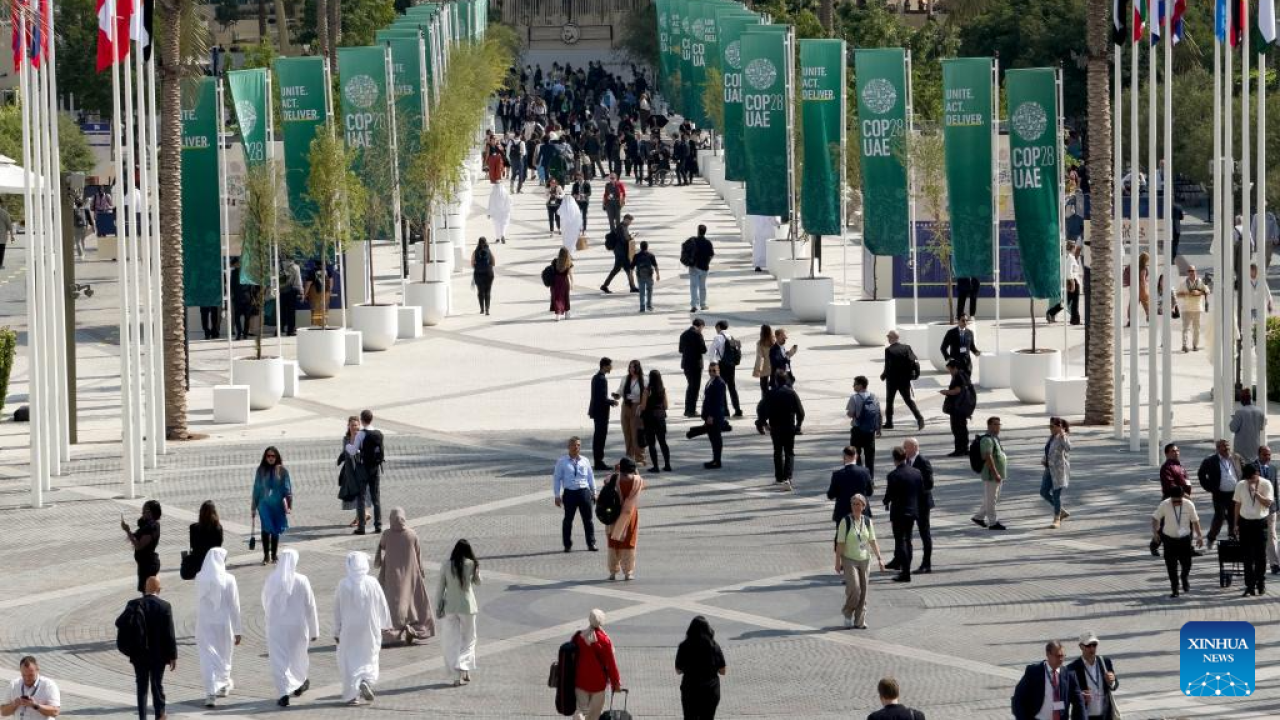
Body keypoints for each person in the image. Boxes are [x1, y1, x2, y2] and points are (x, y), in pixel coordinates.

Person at [334, 552, 393, 705]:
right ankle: (366, 680)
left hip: (349, 628)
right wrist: (386, 624)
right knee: (370, 655)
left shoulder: (343, 584)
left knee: (349, 658)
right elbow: (382, 603)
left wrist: (336, 629)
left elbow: (337, 609)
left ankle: (353, 695)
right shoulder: (372, 582)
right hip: (370, 627)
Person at [262, 549, 318, 707]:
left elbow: (265, 600)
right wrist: (314, 630)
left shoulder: (272, 579)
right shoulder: (302, 580)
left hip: (276, 627)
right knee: (298, 657)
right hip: (298, 627)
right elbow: (310, 605)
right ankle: (299, 683)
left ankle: (283, 692)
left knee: (279, 659)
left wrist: (271, 617)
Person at [375, 508, 436, 645]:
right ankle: (415, 628)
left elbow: (383, 546)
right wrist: (421, 570)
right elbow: (418, 553)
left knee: (394, 605)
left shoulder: (387, 534)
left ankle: (393, 632)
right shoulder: (412, 534)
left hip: (392, 575)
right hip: (411, 575)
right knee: (414, 602)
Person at [122, 577, 177, 720]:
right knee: (156, 684)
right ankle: (159, 715)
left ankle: (142, 717)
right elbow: (169, 633)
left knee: (141, 687)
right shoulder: (165, 606)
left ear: (145, 589)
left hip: (138, 654)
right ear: (159, 590)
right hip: (159, 655)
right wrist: (173, 655)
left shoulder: (133, 604)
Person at [194, 548, 242, 707]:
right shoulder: (229, 579)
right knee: (224, 656)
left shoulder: (200, 577)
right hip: (223, 624)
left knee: (207, 658)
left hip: (204, 624)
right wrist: (238, 630)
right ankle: (222, 684)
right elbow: (234, 606)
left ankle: (211, 691)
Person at [835, 494, 885, 629]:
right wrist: (837, 562)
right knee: (855, 588)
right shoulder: (845, 521)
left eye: (859, 504)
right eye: (854, 504)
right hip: (849, 559)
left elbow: (873, 541)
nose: (856, 507)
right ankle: (847, 613)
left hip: (865, 559)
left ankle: (859, 620)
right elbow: (840, 543)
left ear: (864, 506)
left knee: (864, 591)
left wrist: (880, 558)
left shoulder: (868, 521)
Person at [436, 540, 481, 686]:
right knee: (469, 639)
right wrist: (476, 571)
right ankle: (463, 664)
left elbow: (440, 588)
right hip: (467, 607)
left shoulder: (446, 565)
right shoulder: (471, 564)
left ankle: (459, 674)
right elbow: (478, 582)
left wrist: (438, 606)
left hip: (450, 607)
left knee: (452, 640)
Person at [1011, 641, 1086, 720]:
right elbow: (1018, 699)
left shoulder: (1069, 675)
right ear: (1048, 654)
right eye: (1058, 656)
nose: (1061, 659)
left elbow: (1079, 703)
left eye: (1063, 656)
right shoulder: (1033, 672)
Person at [757, 369, 805, 490]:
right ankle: (787, 478)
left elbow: (761, 410)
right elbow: (801, 412)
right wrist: (798, 425)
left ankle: (779, 477)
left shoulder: (770, 393)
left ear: (776, 381)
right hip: (789, 426)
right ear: (787, 380)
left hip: (775, 427)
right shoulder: (791, 393)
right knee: (789, 452)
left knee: (777, 452)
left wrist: (764, 423)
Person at [1151, 486, 1203, 597]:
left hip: (1184, 539)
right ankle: (1175, 589)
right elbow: (1155, 518)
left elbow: (1195, 521)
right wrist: (1155, 533)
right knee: (1171, 566)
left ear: (1182, 496)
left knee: (1187, 564)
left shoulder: (1189, 504)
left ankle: (1184, 577)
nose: (1177, 503)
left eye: (1179, 500)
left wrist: (1199, 536)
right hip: (1169, 540)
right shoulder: (1165, 504)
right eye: (1174, 501)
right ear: (1171, 498)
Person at [572, 609, 623, 720]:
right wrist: (616, 683)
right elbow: (611, 664)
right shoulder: (604, 640)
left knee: (581, 710)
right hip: (598, 684)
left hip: (580, 681)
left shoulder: (579, 637)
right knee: (594, 715)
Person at [883, 447, 923, 583]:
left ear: (894, 459)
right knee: (909, 540)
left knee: (900, 541)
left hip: (899, 512)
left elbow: (889, 495)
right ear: (905, 457)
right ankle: (907, 569)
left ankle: (905, 573)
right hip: (912, 511)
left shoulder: (893, 475)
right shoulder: (916, 472)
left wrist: (885, 501)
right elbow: (921, 491)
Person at [1233, 463, 1274, 596]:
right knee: (1247, 556)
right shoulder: (1240, 485)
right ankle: (1249, 585)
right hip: (1245, 523)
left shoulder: (1266, 484)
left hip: (1260, 523)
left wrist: (1256, 494)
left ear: (1257, 474)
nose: (1250, 481)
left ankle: (1260, 582)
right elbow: (1238, 505)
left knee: (1260, 555)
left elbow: (1268, 503)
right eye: (1248, 479)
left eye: (1252, 478)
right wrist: (1236, 524)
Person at [675, 616, 726, 720]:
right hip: (710, 690)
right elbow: (722, 671)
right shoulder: (714, 646)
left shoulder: (684, 646)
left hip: (690, 690)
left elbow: (678, 670)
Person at [555, 436, 599, 552]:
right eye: (574, 445)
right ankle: (567, 544)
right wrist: (557, 495)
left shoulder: (585, 460)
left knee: (588, 520)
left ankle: (591, 543)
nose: (576, 447)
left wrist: (594, 492)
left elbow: (591, 477)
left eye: (578, 445)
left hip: (584, 492)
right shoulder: (562, 462)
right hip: (570, 493)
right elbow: (557, 479)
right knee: (568, 520)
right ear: (568, 446)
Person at [1198, 439, 1245, 548]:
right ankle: (1211, 538)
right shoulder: (1210, 461)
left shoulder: (1236, 457)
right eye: (1223, 446)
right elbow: (1201, 474)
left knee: (1234, 516)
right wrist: (1209, 487)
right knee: (1220, 517)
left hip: (1235, 493)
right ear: (1218, 449)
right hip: (1219, 494)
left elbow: (1245, 470)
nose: (1226, 448)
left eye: (1227, 446)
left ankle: (1232, 537)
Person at [606, 458, 645, 581]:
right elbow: (643, 484)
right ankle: (628, 572)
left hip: (614, 514)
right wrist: (636, 472)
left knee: (613, 542)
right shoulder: (636, 481)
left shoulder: (613, 478)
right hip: (629, 515)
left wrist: (615, 471)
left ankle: (613, 572)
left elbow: (606, 481)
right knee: (628, 542)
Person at [252, 446, 292, 564]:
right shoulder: (260, 470)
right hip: (264, 504)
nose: (270, 458)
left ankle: (274, 555)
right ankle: (266, 556)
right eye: (268, 456)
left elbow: (287, 488)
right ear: (265, 457)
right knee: (266, 528)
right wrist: (253, 507)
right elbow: (256, 488)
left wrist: (289, 504)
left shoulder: (282, 470)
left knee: (275, 529)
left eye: (273, 456)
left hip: (277, 504)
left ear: (277, 457)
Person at [1067, 632, 1120, 720]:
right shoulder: (1072, 668)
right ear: (1081, 646)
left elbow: (1114, 685)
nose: (1092, 648)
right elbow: (1067, 693)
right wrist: (1079, 695)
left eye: (1094, 645)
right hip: (1084, 716)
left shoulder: (1105, 662)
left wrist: (1112, 682)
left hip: (1105, 715)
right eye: (1088, 645)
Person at [688, 362, 728, 469]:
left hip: (715, 416)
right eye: (710, 370)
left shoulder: (720, 383)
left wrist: (711, 416)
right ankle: (715, 459)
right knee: (712, 438)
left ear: (719, 370)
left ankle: (717, 461)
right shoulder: (711, 381)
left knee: (716, 438)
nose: (712, 373)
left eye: (714, 370)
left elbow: (718, 402)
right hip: (709, 415)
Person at [902, 438, 934, 575]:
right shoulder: (906, 462)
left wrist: (913, 489)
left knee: (924, 533)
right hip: (909, 505)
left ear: (914, 447)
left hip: (921, 505)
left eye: (906, 448)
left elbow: (929, 484)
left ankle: (926, 564)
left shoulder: (923, 462)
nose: (904, 451)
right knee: (906, 535)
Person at [881, 331, 923, 431]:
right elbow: (915, 361)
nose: (888, 338)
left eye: (889, 337)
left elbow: (888, 366)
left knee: (889, 401)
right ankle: (920, 418)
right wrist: (916, 374)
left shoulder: (889, 350)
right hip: (905, 380)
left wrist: (883, 376)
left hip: (892, 380)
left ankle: (889, 422)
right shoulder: (907, 347)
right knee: (908, 400)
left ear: (894, 338)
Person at [971, 417, 1007, 531]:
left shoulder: (994, 438)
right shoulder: (987, 440)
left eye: (999, 424)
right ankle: (993, 522)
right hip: (991, 475)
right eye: (995, 424)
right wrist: (995, 473)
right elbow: (988, 456)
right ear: (989, 426)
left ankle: (979, 517)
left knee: (990, 498)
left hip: (997, 474)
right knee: (991, 499)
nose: (998, 427)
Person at [120, 500, 162, 594]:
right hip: (144, 564)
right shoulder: (146, 525)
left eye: (145, 511)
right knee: (146, 593)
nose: (142, 513)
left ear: (152, 513)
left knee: (149, 594)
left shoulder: (153, 527)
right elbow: (134, 539)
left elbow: (139, 546)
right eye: (143, 510)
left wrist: (127, 530)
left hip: (149, 565)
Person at [338, 416, 372, 530]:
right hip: (350, 470)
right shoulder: (346, 438)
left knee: (362, 493)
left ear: (359, 425)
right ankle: (362, 515)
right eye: (352, 425)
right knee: (356, 493)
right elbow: (347, 453)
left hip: (362, 469)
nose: (354, 427)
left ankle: (361, 516)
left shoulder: (363, 437)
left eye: (356, 425)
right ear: (348, 426)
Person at [846, 376, 882, 478]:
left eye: (855, 384)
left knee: (856, 455)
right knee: (870, 457)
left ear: (860, 385)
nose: (853, 386)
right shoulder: (874, 397)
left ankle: (860, 477)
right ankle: (870, 479)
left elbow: (850, 413)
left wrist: (853, 415)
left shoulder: (854, 398)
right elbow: (878, 413)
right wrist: (878, 428)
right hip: (870, 431)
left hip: (857, 430)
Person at [614, 360, 649, 466]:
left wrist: (643, 406)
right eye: (630, 367)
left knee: (636, 433)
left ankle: (640, 457)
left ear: (638, 368)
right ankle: (629, 456)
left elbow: (647, 394)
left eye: (634, 367)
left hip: (637, 406)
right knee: (627, 431)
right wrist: (616, 395)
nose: (631, 370)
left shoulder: (645, 379)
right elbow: (620, 390)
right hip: (626, 405)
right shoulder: (625, 378)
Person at [828, 446, 874, 525]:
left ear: (844, 457)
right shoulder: (865, 471)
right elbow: (870, 492)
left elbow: (830, 495)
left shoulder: (838, 475)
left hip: (843, 513)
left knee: (842, 536)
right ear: (856, 456)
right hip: (861, 512)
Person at [1041, 418, 1072, 529]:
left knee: (1056, 494)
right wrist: (1044, 459)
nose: (1051, 429)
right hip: (1049, 469)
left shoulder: (1062, 437)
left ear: (1060, 427)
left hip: (1059, 471)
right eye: (1050, 426)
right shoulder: (1051, 437)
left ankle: (1057, 519)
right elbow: (1048, 450)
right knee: (1043, 492)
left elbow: (1068, 448)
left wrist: (1063, 435)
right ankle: (1061, 510)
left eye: (1053, 426)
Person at [940, 360, 976, 457]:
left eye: (950, 370)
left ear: (954, 368)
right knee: (963, 428)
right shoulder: (964, 375)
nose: (950, 372)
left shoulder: (958, 377)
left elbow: (957, 391)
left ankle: (959, 449)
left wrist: (945, 392)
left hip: (957, 407)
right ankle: (964, 448)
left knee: (957, 428)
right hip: (963, 407)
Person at [708, 321, 743, 417]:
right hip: (731, 365)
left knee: (721, 387)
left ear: (719, 327)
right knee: (732, 387)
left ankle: (725, 411)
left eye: (716, 329)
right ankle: (737, 409)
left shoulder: (718, 337)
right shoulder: (731, 337)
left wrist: (713, 363)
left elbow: (711, 352)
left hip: (722, 365)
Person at [640, 369, 672, 472]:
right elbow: (666, 406)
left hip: (649, 417)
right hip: (660, 417)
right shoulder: (662, 389)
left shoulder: (647, 390)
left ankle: (656, 466)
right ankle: (667, 465)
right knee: (663, 442)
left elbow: (644, 406)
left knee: (652, 443)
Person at [589, 358, 617, 471]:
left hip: (596, 411)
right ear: (605, 366)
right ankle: (599, 461)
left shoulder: (596, 377)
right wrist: (612, 402)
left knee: (598, 437)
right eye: (610, 365)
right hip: (601, 412)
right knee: (600, 437)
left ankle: (598, 461)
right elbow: (601, 398)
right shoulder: (601, 379)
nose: (611, 367)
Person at [1256, 446, 1280, 574]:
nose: (1268, 457)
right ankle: (1257, 563)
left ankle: (1274, 564)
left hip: (1271, 509)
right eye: (1265, 455)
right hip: (1256, 509)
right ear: (1259, 455)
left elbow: (1275, 489)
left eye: (1269, 455)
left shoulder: (1273, 468)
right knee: (1258, 537)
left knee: (1272, 535)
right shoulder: (1252, 468)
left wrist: (1278, 508)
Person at [601, 214, 637, 294]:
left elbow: (625, 238)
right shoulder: (621, 227)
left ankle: (632, 287)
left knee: (628, 269)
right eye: (630, 221)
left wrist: (630, 236)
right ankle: (604, 286)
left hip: (623, 252)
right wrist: (631, 237)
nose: (630, 223)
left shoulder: (624, 227)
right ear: (626, 219)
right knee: (616, 270)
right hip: (620, 253)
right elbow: (623, 240)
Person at [187, 500, 224, 578]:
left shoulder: (193, 527)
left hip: (198, 564)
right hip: (213, 563)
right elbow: (219, 546)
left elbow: (193, 546)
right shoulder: (218, 528)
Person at [679, 318, 708, 417]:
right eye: (702, 328)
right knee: (695, 388)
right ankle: (691, 410)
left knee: (690, 387)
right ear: (700, 326)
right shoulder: (698, 334)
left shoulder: (684, 334)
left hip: (686, 364)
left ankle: (687, 409)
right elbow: (703, 350)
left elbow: (680, 349)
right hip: (696, 365)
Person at [1231, 390, 1267, 461]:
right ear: (1251, 398)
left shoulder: (1240, 412)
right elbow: (1261, 427)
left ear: (1242, 400)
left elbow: (1232, 428)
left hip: (1241, 448)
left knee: (1241, 469)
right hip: (1255, 446)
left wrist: (1234, 418)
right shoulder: (1260, 411)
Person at [687, 225, 714, 312]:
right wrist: (707, 262)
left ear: (698, 231)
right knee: (702, 287)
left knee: (693, 287)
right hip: (704, 268)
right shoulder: (708, 243)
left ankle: (694, 305)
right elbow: (711, 255)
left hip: (694, 267)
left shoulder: (693, 241)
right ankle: (703, 304)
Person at [632, 240, 660, 313]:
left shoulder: (636, 256)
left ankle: (642, 307)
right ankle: (649, 305)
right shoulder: (651, 255)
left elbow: (631, 267)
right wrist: (657, 275)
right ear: (647, 247)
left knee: (641, 292)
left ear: (640, 247)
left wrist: (631, 277)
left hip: (640, 276)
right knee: (649, 291)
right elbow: (655, 265)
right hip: (649, 275)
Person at [471, 237, 496, 316]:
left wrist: (477, 266)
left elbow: (472, 264)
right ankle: (487, 309)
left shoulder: (475, 252)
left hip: (478, 274)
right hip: (489, 274)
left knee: (480, 291)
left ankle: (481, 309)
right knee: (487, 291)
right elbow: (494, 263)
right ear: (486, 242)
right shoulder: (489, 251)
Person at [751, 324, 775, 398]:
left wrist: (759, 369)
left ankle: (765, 403)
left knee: (764, 388)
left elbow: (760, 357)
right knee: (774, 387)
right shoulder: (774, 341)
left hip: (764, 368)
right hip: (774, 367)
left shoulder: (760, 343)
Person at [551, 247, 574, 320]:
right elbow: (570, 275)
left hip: (556, 282)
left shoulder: (555, 261)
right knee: (566, 297)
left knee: (558, 298)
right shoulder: (568, 263)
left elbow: (552, 272)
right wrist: (572, 283)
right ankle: (567, 314)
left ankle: (558, 315)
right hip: (565, 282)